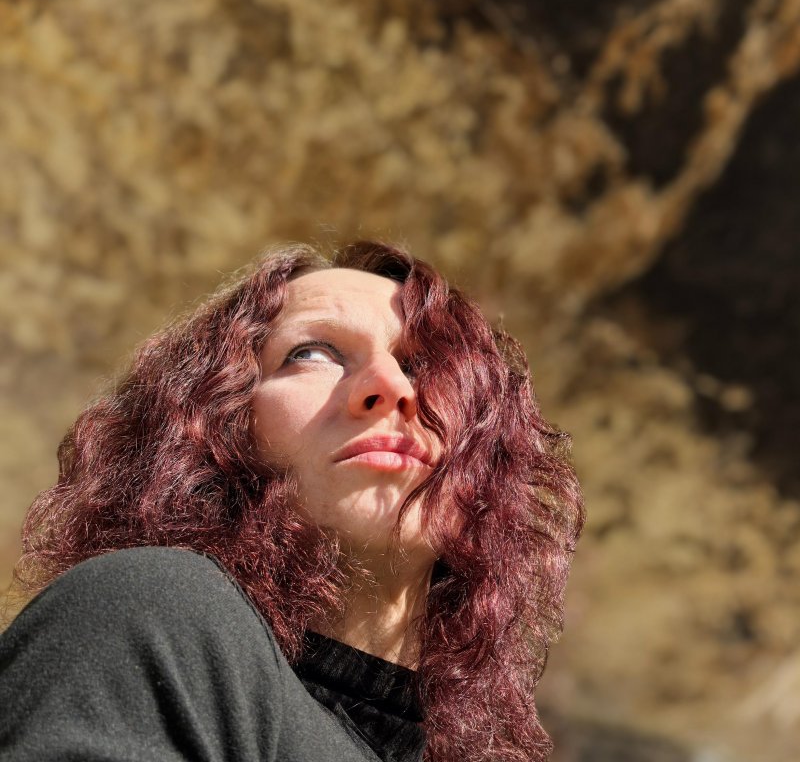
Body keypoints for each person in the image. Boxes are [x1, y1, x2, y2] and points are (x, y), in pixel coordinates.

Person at [0, 241, 584, 761]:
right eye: (313, 353)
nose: (392, 387)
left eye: (423, 365)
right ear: (216, 426)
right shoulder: (152, 613)